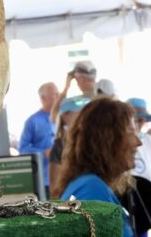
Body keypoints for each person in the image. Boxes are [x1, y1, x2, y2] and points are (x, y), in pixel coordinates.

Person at [54, 98, 141, 237]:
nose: (139, 142)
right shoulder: (91, 189)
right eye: (131, 132)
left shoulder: (91, 185)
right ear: (108, 139)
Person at [18, 82, 59, 196]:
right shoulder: (32, 121)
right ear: (43, 98)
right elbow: (22, 149)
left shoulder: (64, 118)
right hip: (43, 182)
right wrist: (43, 153)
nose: (59, 96)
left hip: (63, 180)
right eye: (55, 94)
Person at [48, 95, 90, 198]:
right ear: (65, 115)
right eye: (80, 112)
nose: (85, 116)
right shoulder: (60, 145)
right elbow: (54, 187)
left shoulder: (90, 142)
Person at [125, 98, 151, 236]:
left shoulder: (148, 140)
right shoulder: (121, 140)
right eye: (136, 119)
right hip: (126, 198)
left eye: (143, 119)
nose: (140, 123)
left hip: (144, 202)